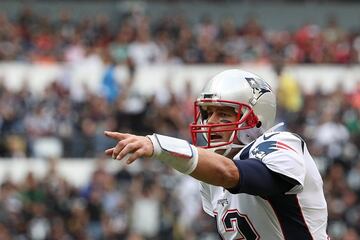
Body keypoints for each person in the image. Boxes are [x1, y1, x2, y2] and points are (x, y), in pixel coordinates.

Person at [104, 69, 329, 239]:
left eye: (223, 114)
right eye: (207, 113)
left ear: (255, 120)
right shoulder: (214, 172)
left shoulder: (281, 143)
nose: (210, 122)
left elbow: (231, 174)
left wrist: (159, 145)